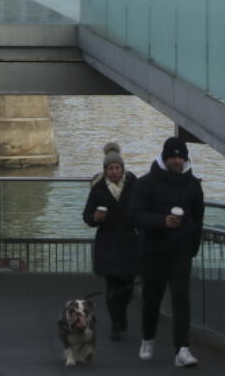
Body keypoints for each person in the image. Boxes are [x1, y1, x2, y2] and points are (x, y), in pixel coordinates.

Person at [128, 136, 204, 368]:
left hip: (181, 252)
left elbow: (198, 218)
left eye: (181, 156)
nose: (177, 160)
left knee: (182, 299)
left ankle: (182, 349)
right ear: (164, 157)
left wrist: (192, 247)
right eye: (173, 156)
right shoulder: (146, 183)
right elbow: (135, 215)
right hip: (153, 251)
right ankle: (148, 337)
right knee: (152, 298)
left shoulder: (193, 185)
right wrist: (162, 221)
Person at [81, 142, 140, 341]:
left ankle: (121, 315)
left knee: (128, 286)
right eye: (110, 168)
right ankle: (116, 323)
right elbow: (87, 215)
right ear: (105, 170)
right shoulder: (98, 189)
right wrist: (95, 219)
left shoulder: (134, 184)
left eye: (117, 168)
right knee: (113, 287)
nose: (114, 172)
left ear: (122, 168)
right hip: (108, 243)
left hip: (131, 241)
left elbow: (143, 209)